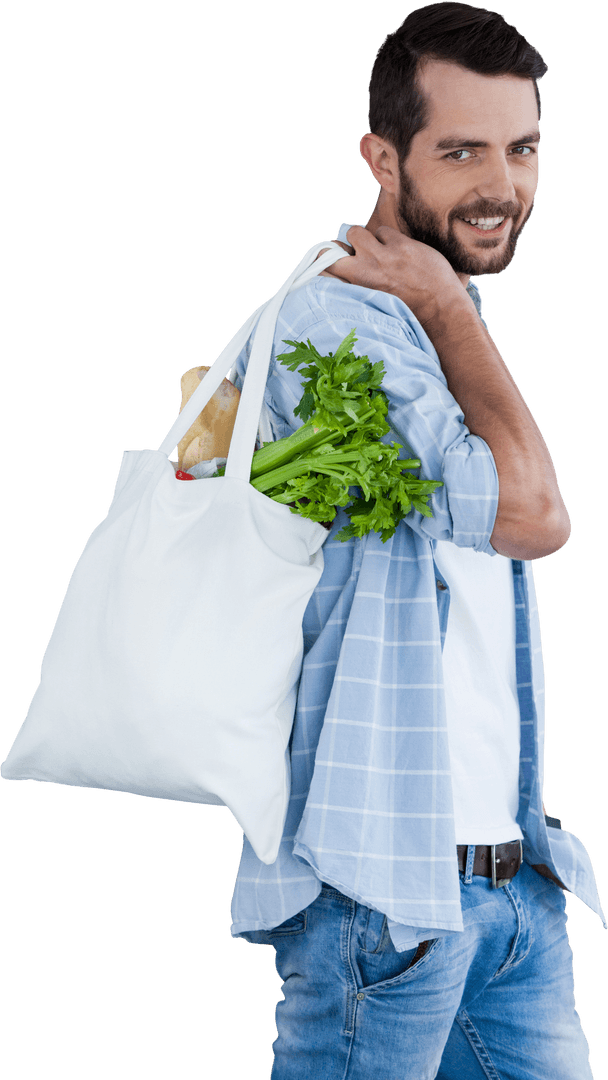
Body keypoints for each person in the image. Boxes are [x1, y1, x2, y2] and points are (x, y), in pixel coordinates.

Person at [228, 4, 605, 1077]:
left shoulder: (436, 309)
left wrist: (449, 310)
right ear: (381, 159)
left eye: (521, 148)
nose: (500, 184)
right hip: (381, 899)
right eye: (459, 151)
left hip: (504, 889)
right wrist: (445, 309)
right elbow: (533, 519)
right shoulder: (338, 320)